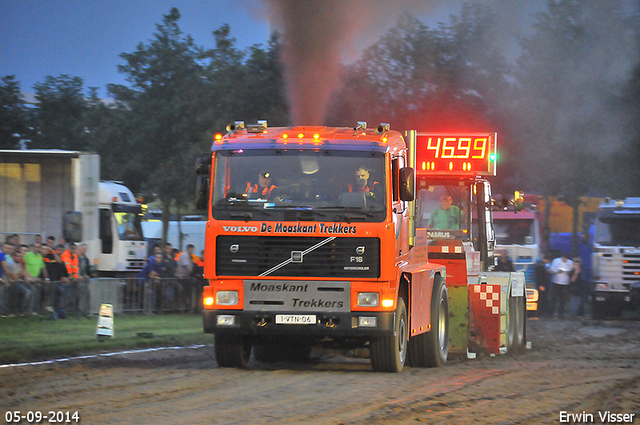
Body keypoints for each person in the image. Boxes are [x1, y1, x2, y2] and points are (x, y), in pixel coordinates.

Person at [549, 252, 573, 319]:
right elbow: (551, 271)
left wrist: (568, 273)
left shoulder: (570, 263)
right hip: (556, 282)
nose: (564, 259)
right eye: (563, 258)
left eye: (565, 258)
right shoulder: (556, 261)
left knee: (563, 300)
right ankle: (551, 313)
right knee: (554, 298)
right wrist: (557, 271)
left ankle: (561, 314)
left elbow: (571, 271)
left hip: (565, 283)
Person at [533, 253, 552, 317]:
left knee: (542, 298)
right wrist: (541, 285)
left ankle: (541, 312)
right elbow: (540, 276)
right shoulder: (541, 266)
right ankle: (539, 313)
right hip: (542, 284)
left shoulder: (540, 264)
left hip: (542, 284)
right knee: (541, 299)